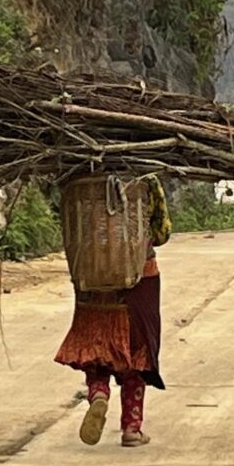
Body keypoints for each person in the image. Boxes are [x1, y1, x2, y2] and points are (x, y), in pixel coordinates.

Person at [55, 177, 173, 448]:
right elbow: (162, 232)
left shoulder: (76, 177)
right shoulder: (148, 181)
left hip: (90, 273)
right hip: (138, 275)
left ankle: (99, 392)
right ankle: (132, 428)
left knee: (96, 344)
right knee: (136, 351)